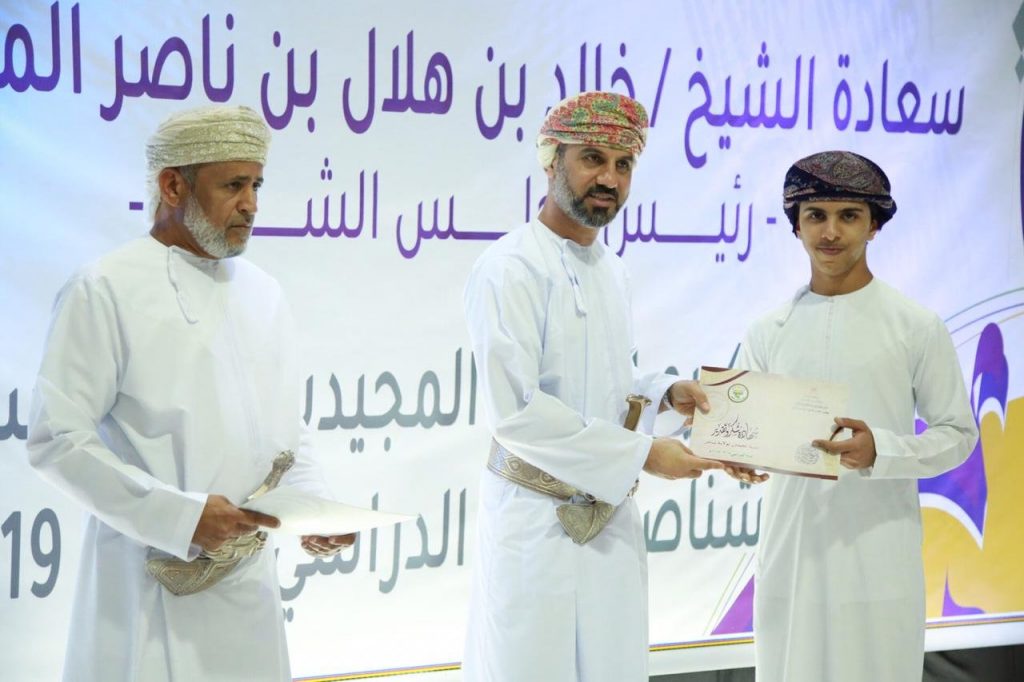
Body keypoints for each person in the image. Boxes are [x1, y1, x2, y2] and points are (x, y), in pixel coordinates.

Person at [26, 105, 353, 682]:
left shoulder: (264, 293)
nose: (251, 204)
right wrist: (179, 517)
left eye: (256, 185)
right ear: (173, 186)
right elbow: (58, 439)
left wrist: (314, 508)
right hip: (148, 581)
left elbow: (285, 434)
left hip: (249, 588)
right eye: (233, 185)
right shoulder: (104, 288)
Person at [461, 91, 723, 682]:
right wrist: (642, 454)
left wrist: (666, 394)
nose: (609, 178)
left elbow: (607, 384)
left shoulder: (612, 270)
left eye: (623, 164)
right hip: (534, 523)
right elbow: (517, 412)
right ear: (551, 161)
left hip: (609, 522)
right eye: (592, 159)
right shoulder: (509, 268)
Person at [735, 150, 979, 682]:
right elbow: (748, 433)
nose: (831, 232)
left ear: (874, 226)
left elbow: (958, 435)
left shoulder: (915, 326)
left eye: (849, 215)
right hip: (792, 555)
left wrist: (881, 450)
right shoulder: (767, 332)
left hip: (878, 554)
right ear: (796, 225)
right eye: (816, 215)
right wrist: (737, 455)